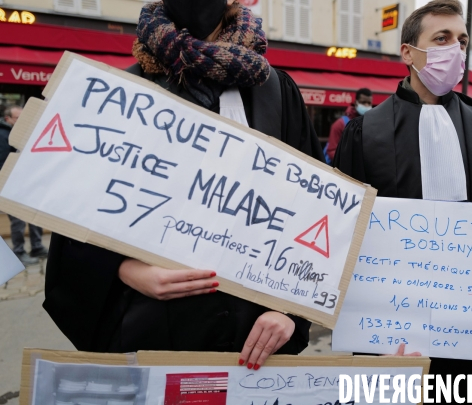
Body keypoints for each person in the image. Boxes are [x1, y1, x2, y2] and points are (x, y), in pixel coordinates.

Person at [44, 0, 324, 370]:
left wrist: (290, 310)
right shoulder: (119, 92)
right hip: (151, 325)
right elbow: (75, 219)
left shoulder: (275, 91)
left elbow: (314, 210)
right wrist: (125, 270)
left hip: (256, 329)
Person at [334, 1, 472, 403]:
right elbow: (344, 236)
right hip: (388, 332)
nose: (456, 50)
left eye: (462, 41)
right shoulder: (366, 132)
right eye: (442, 39)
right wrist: (361, 328)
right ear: (408, 52)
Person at [0, 105, 48, 265]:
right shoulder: (2, 135)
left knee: (35, 217)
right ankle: (19, 252)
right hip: (13, 186)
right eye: (18, 118)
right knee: (18, 221)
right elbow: (3, 163)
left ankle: (37, 246)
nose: (22, 121)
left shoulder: (26, 132)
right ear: (8, 119)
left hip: (28, 183)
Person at [324, 88, 372, 163]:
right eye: (363, 102)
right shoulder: (340, 124)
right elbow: (331, 151)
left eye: (369, 103)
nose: (366, 106)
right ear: (356, 102)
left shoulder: (371, 124)